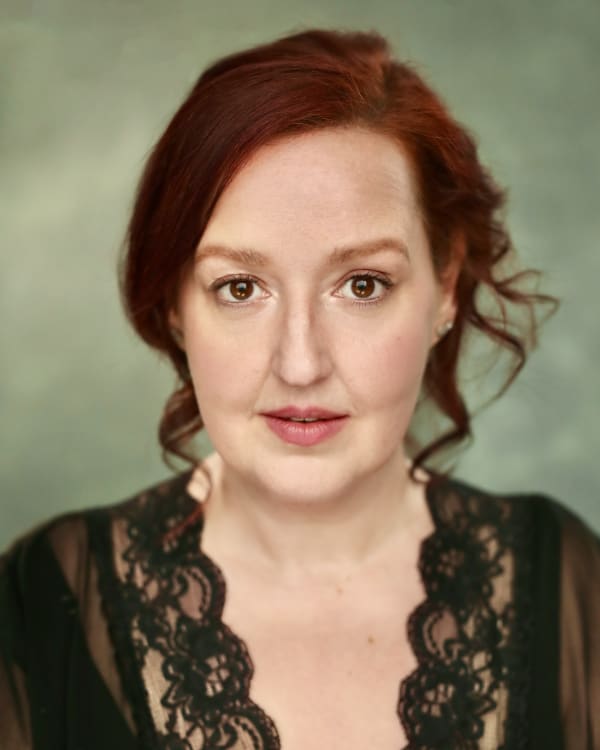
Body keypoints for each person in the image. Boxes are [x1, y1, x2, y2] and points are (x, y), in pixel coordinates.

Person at [0, 27, 598, 750]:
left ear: (444, 286)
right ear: (174, 305)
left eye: (363, 285)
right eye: (240, 287)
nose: (301, 363)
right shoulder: (41, 602)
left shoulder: (568, 581)